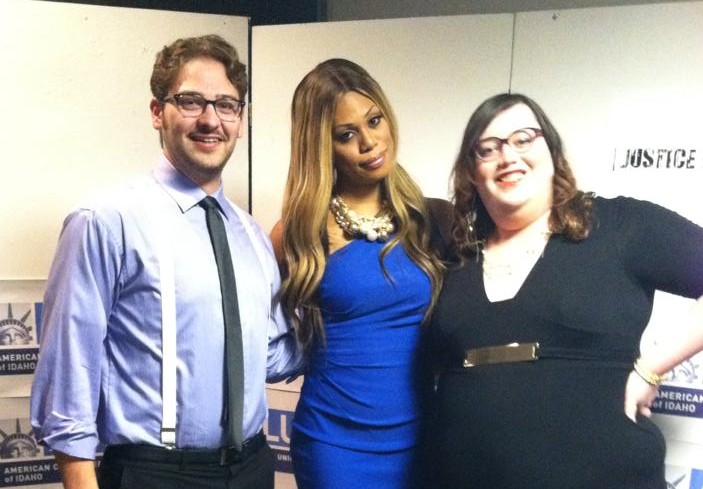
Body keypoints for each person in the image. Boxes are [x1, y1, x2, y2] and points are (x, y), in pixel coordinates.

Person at [30, 34, 300, 489]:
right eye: (191, 101)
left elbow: (270, 357)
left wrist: (360, 323)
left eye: (227, 105)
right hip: (153, 474)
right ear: (158, 112)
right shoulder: (104, 222)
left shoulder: (252, 237)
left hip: (253, 467)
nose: (211, 119)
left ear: (241, 120)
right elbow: (68, 373)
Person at [427, 92, 703, 489]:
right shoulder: (456, 257)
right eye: (487, 149)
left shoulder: (618, 225)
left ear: (552, 150)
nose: (508, 157)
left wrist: (652, 368)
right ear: (471, 171)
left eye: (523, 139)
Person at [269, 58, 448, 489]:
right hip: (336, 445)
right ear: (322, 146)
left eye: (374, 120)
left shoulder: (432, 218)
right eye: (346, 135)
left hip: (424, 437)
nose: (369, 142)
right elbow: (255, 337)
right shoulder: (298, 232)